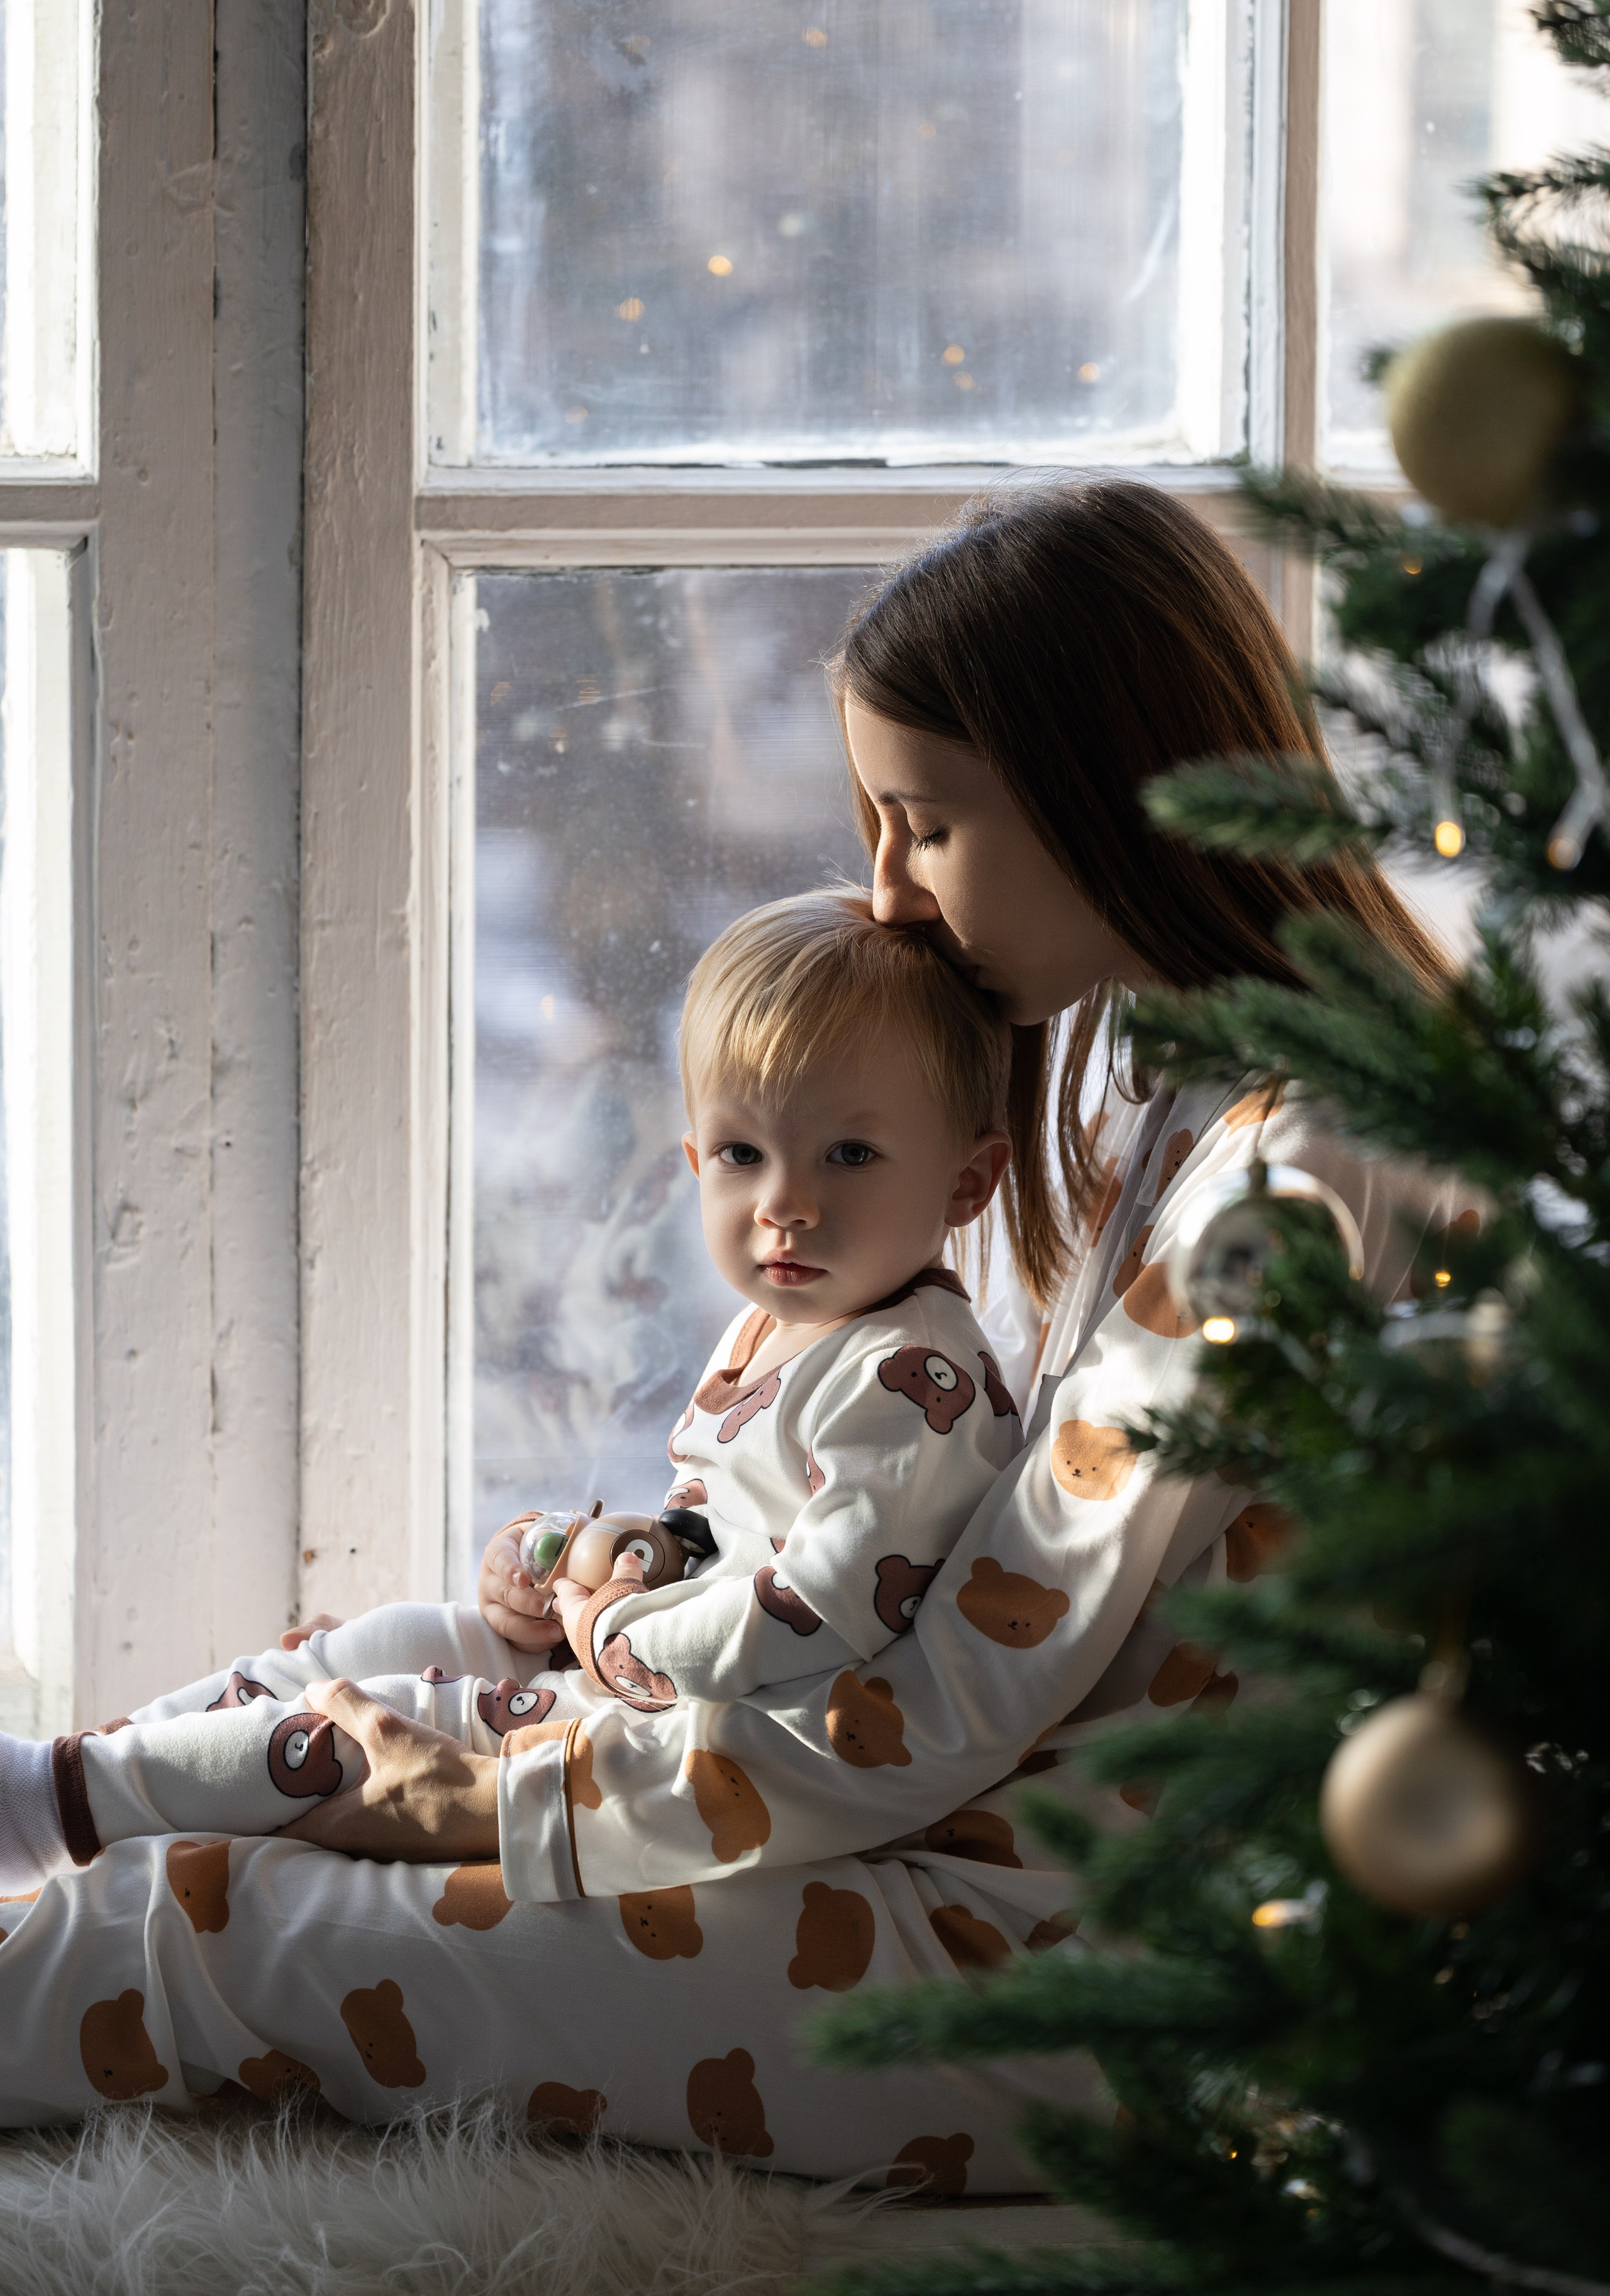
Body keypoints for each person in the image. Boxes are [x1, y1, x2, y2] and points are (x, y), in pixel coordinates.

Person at [0, 479, 1467, 2187]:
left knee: (219, 1927)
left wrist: (510, 1806)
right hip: (942, 1823)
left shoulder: (1286, 1188)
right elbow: (916, 1555)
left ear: (1104, 793)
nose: (890, 892)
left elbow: (963, 1699)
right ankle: (51, 1805)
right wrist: (651, 1590)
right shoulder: (1159, 1080)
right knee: (416, 1648)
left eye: (925, 820)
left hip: (1061, 1972)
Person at [0, 892, 1021, 1882]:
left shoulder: (911, 1375)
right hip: (654, 1668)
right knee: (406, 1635)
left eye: (850, 1154)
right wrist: (612, 1554)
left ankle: (55, 1812)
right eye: (743, 1154)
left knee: (382, 1721)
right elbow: (729, 1533)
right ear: (695, 1158)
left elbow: (822, 1611)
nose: (784, 1204)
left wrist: (610, 1631)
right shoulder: (791, 1320)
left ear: (966, 1181)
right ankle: (85, 1775)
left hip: (705, 1738)